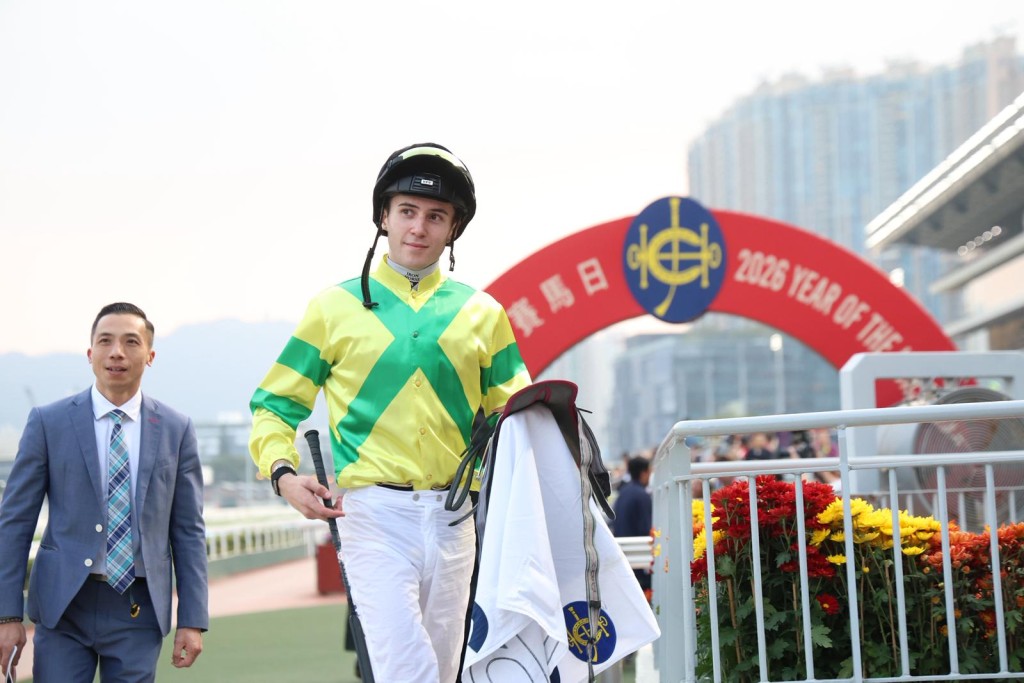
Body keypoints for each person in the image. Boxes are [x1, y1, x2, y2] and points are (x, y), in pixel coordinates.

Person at [249, 142, 532, 682]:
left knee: (442, 673)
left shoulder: (483, 313)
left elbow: (516, 416)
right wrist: (282, 474)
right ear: (384, 217)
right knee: (408, 671)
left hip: (456, 516)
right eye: (407, 211)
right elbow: (274, 406)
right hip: (373, 516)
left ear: (453, 229)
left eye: (436, 216)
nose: (419, 227)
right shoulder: (332, 308)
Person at [0, 302, 208, 682]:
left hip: (138, 607)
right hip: (63, 605)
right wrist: (7, 615)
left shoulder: (176, 429)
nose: (117, 352)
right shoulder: (48, 422)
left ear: (150, 356)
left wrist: (192, 619)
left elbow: (188, 530)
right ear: (90, 353)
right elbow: (14, 522)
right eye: (105, 341)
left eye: (131, 342)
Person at [612, 456, 653, 596]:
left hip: (623, 556)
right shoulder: (642, 495)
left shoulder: (623, 492)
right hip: (639, 562)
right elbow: (646, 528)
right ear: (644, 473)